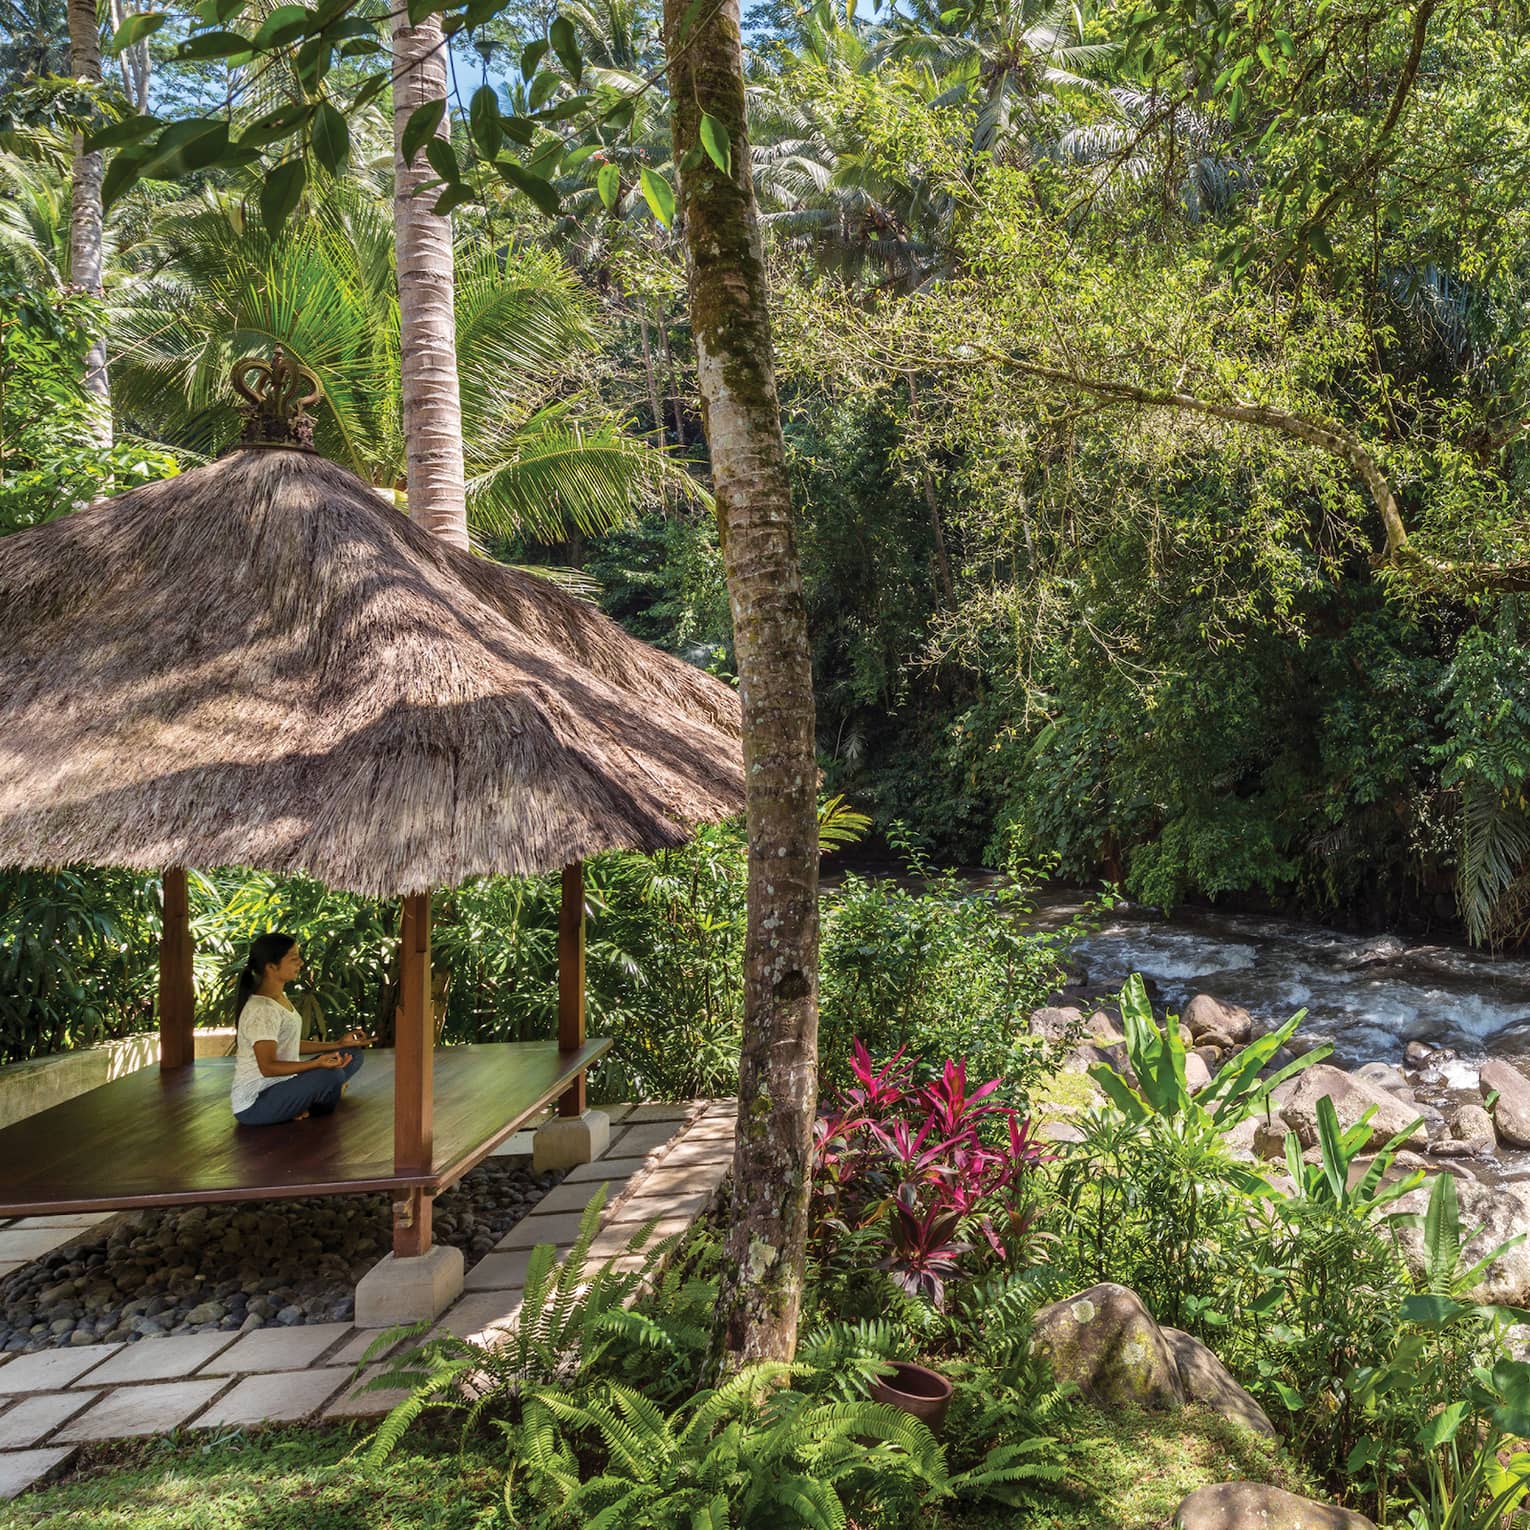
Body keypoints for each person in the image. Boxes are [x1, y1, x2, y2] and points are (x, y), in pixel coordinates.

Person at [230, 932, 373, 1126]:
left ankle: (309, 1099)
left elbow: (288, 1044)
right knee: (332, 1074)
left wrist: (337, 1044)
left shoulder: (279, 999)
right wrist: (316, 1065)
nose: (301, 963)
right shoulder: (262, 1010)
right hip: (257, 1103)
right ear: (271, 967)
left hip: (285, 1084)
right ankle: (312, 1101)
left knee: (351, 1054)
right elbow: (268, 1067)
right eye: (294, 959)